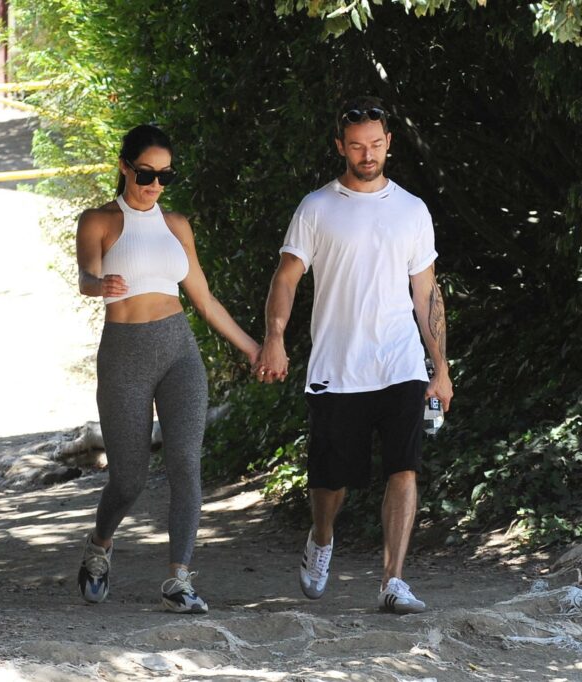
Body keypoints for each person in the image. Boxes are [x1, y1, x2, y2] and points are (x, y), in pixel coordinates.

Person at [255, 97, 453, 614]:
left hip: (400, 362)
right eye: (357, 146)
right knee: (330, 480)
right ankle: (322, 539)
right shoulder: (317, 208)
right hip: (337, 367)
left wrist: (440, 367)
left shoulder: (412, 210)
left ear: (389, 142)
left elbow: (427, 293)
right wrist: (275, 336)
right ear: (341, 147)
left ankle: (393, 580)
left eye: (376, 144)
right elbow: (287, 277)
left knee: (403, 468)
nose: (368, 154)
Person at [75, 123, 260, 614]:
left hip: (179, 351)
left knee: (185, 461)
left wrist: (253, 348)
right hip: (125, 355)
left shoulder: (176, 225)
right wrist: (100, 285)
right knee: (129, 480)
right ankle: (99, 546)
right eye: (145, 173)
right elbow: (85, 277)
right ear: (124, 167)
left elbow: (203, 297)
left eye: (165, 176)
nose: (155, 184)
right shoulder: (99, 220)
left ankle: (179, 577)